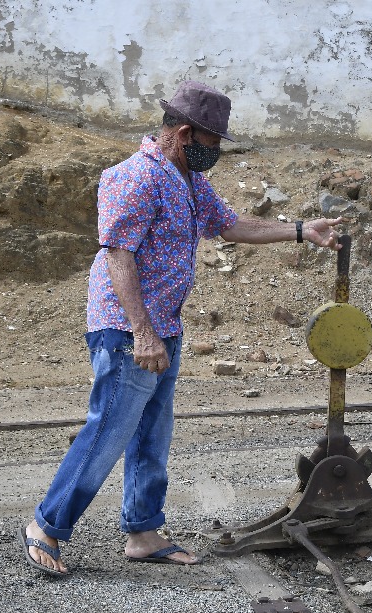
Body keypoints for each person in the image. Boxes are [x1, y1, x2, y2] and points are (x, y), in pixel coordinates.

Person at [19, 80, 343, 575]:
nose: (215, 155)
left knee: (152, 433)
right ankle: (47, 525)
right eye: (213, 145)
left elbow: (231, 226)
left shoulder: (188, 178)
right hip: (128, 329)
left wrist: (302, 230)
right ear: (186, 133)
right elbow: (118, 256)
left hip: (162, 326)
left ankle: (144, 532)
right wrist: (142, 332)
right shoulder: (135, 177)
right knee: (108, 430)